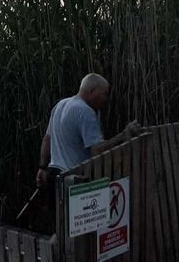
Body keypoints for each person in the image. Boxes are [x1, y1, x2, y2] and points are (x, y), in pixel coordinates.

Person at [35, 74, 139, 210]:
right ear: (92, 91)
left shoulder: (60, 105)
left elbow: (47, 139)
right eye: (103, 94)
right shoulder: (85, 112)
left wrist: (42, 168)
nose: (105, 100)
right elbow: (97, 151)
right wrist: (124, 135)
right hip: (73, 181)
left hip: (53, 176)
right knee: (78, 228)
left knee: (58, 226)